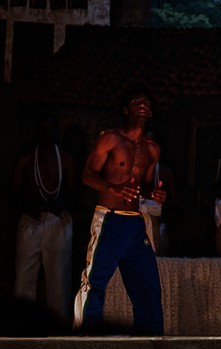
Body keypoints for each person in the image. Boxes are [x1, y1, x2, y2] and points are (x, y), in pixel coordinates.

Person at [73, 89, 167, 335]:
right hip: (109, 220)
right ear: (126, 110)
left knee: (148, 287)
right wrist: (112, 188)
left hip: (135, 224)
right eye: (137, 101)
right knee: (94, 285)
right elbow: (87, 175)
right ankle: (83, 341)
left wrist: (153, 194)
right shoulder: (111, 139)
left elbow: (144, 187)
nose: (142, 105)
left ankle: (150, 340)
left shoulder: (152, 149)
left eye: (146, 102)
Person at [10, 115, 77, 327]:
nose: (47, 134)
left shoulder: (66, 159)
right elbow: (13, 194)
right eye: (43, 129)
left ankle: (57, 327)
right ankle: (21, 325)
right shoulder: (26, 159)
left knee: (58, 280)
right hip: (31, 221)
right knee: (24, 276)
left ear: (57, 133)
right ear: (37, 132)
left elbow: (75, 194)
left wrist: (59, 206)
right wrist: (29, 207)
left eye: (51, 129)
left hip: (57, 222)